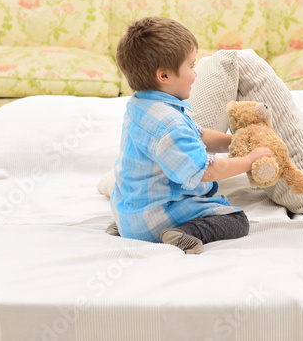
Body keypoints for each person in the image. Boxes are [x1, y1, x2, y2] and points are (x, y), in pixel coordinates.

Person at [109, 16, 271, 254]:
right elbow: (206, 171)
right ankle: (181, 233)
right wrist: (248, 161)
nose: (195, 75)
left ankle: (131, 227)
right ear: (164, 76)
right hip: (156, 219)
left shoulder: (140, 105)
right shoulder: (170, 125)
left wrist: (236, 141)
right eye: (191, 66)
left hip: (128, 213)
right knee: (236, 220)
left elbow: (198, 136)